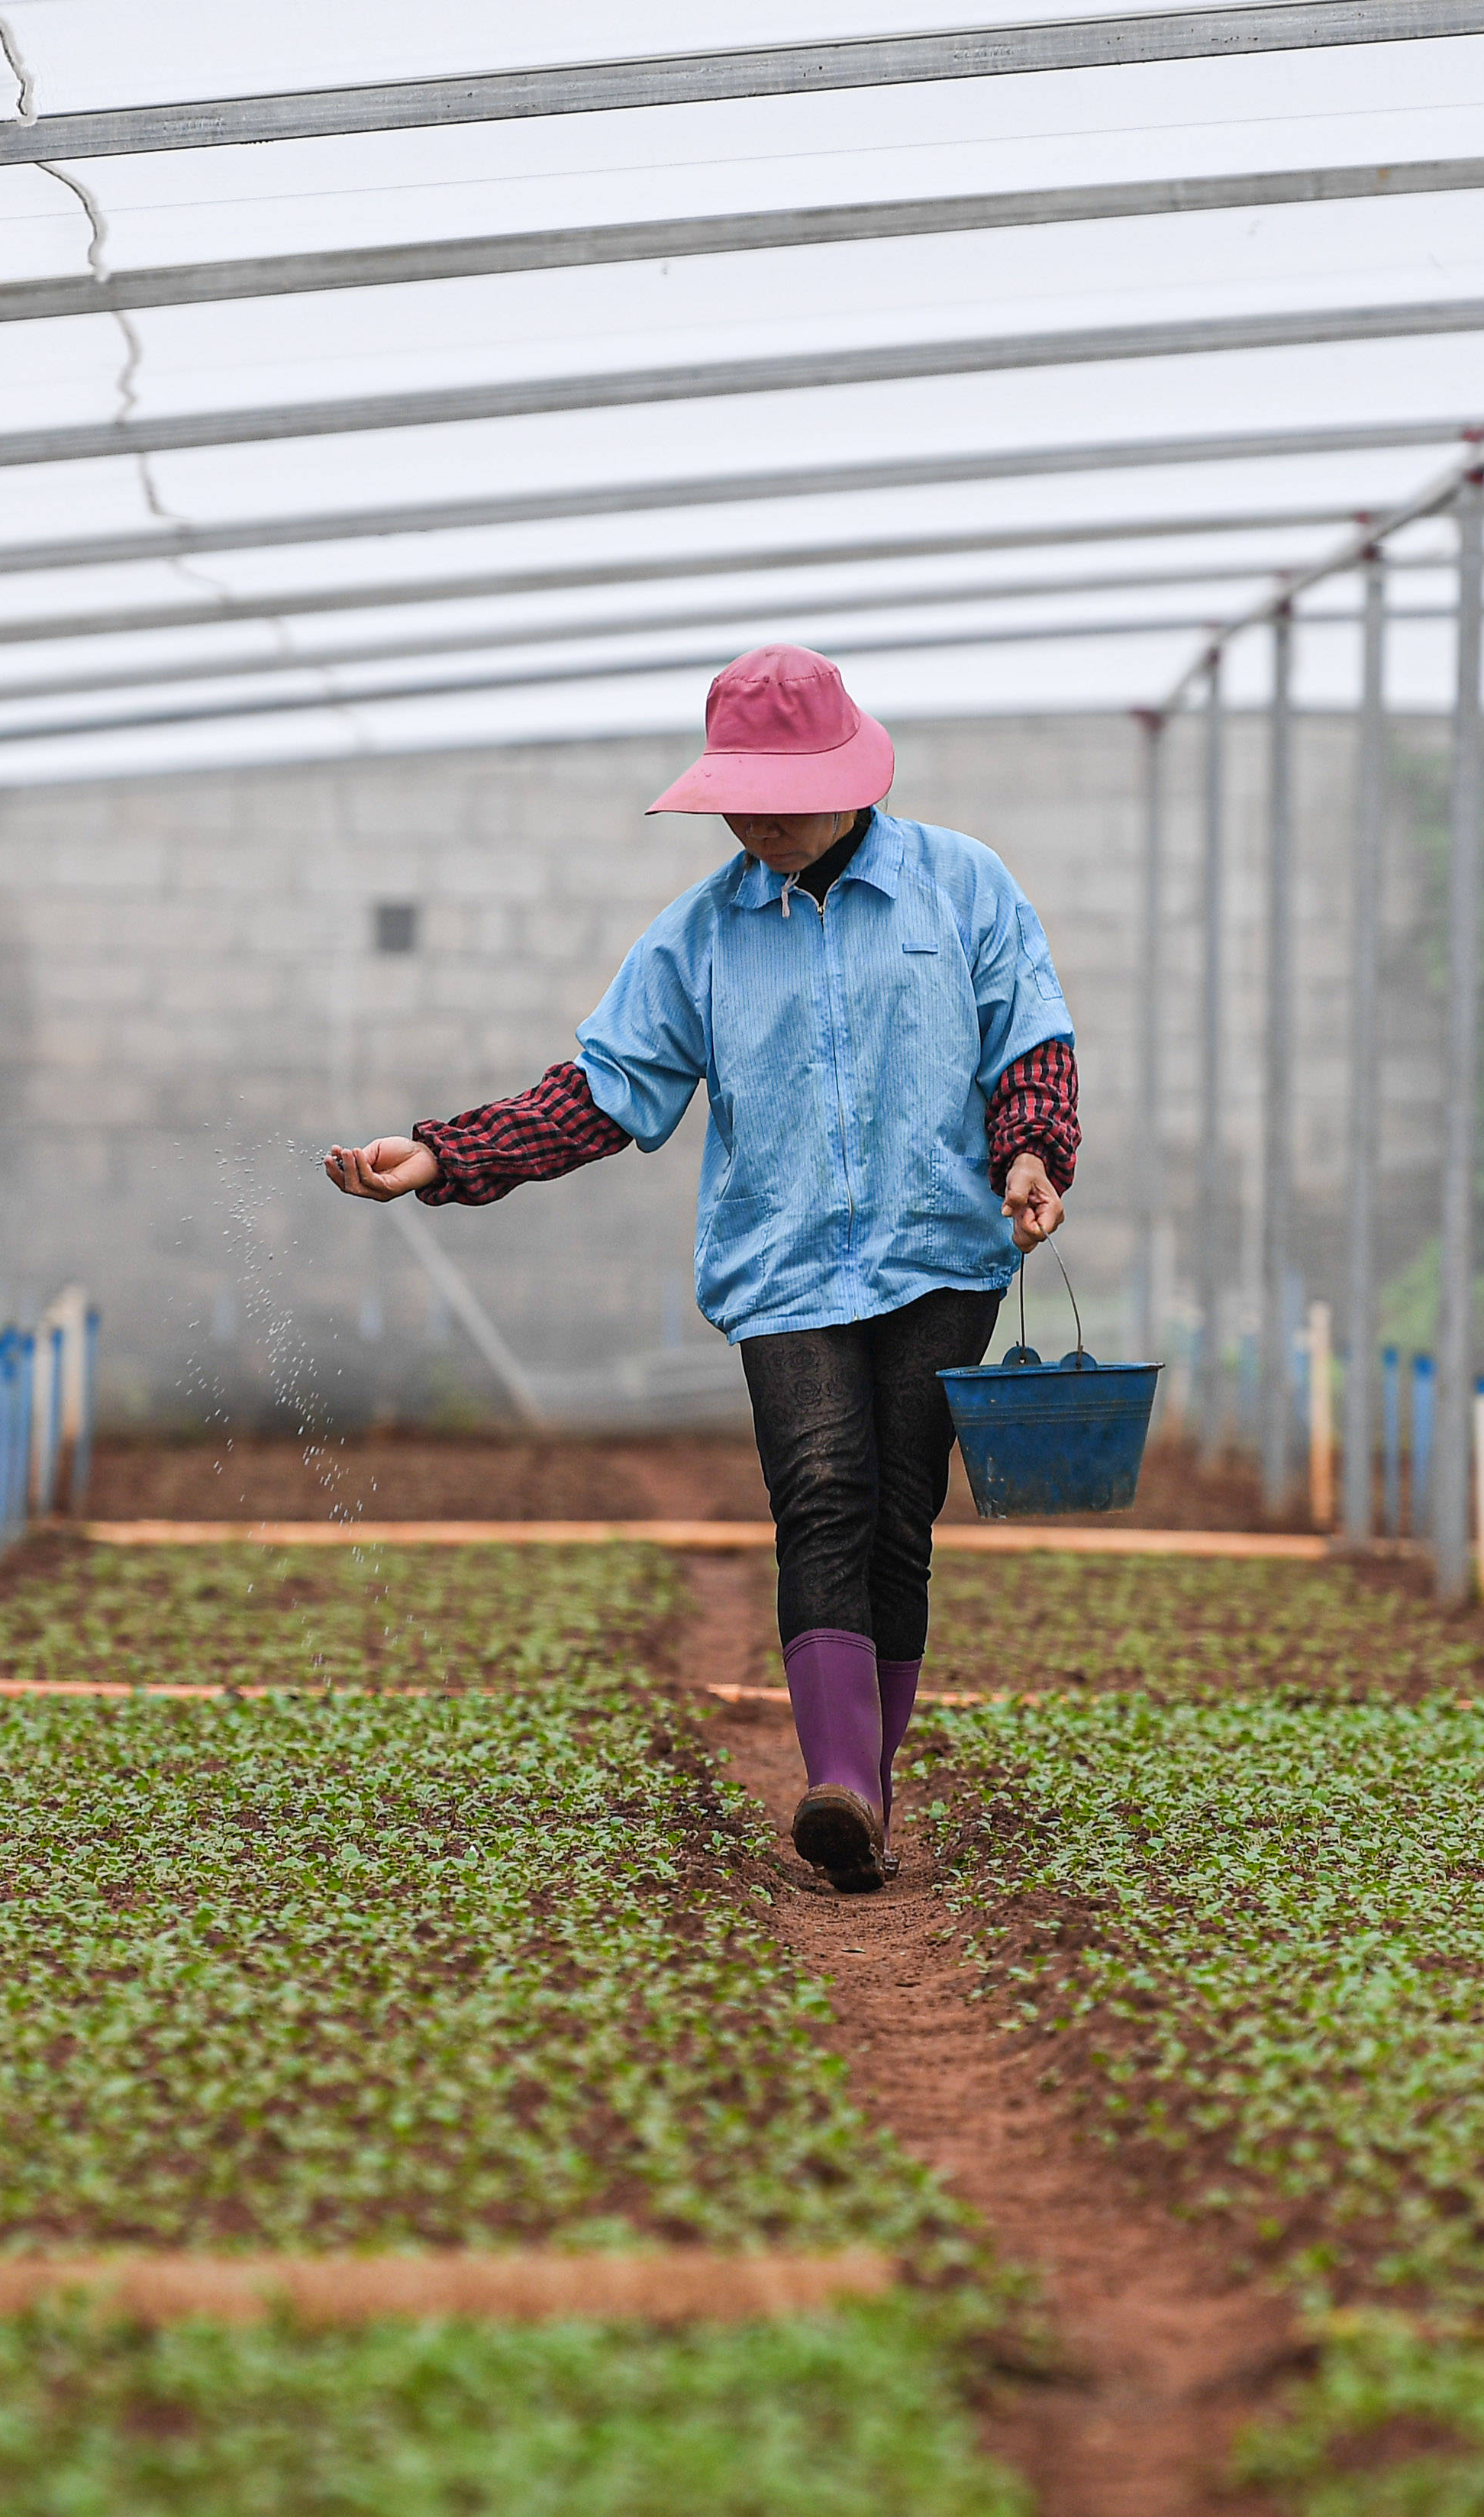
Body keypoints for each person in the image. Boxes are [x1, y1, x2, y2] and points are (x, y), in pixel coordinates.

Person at [324, 645, 1076, 1893]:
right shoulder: (701, 937)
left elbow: (1030, 1038)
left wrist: (1031, 1153)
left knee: (900, 1517)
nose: (760, 819)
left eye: (783, 792)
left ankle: (867, 1793)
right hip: (781, 1264)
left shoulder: (963, 887)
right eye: (740, 796)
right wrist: (445, 1154)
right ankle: (834, 1784)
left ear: (849, 777)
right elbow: (601, 1094)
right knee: (822, 1494)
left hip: (945, 1251)